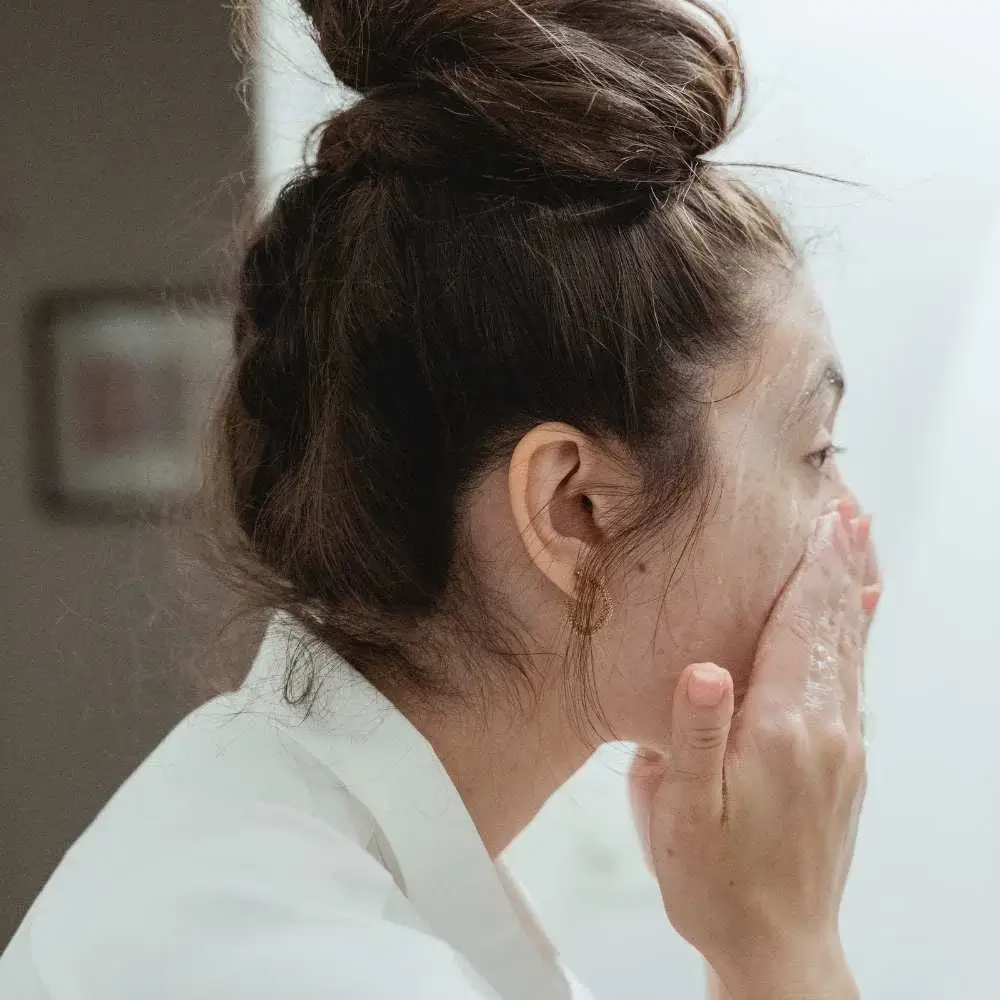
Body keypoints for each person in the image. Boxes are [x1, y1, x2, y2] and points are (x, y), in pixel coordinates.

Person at [0, 1, 882, 998]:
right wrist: (783, 946)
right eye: (817, 449)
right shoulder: (300, 965)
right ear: (573, 509)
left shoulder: (288, 847)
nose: (848, 536)